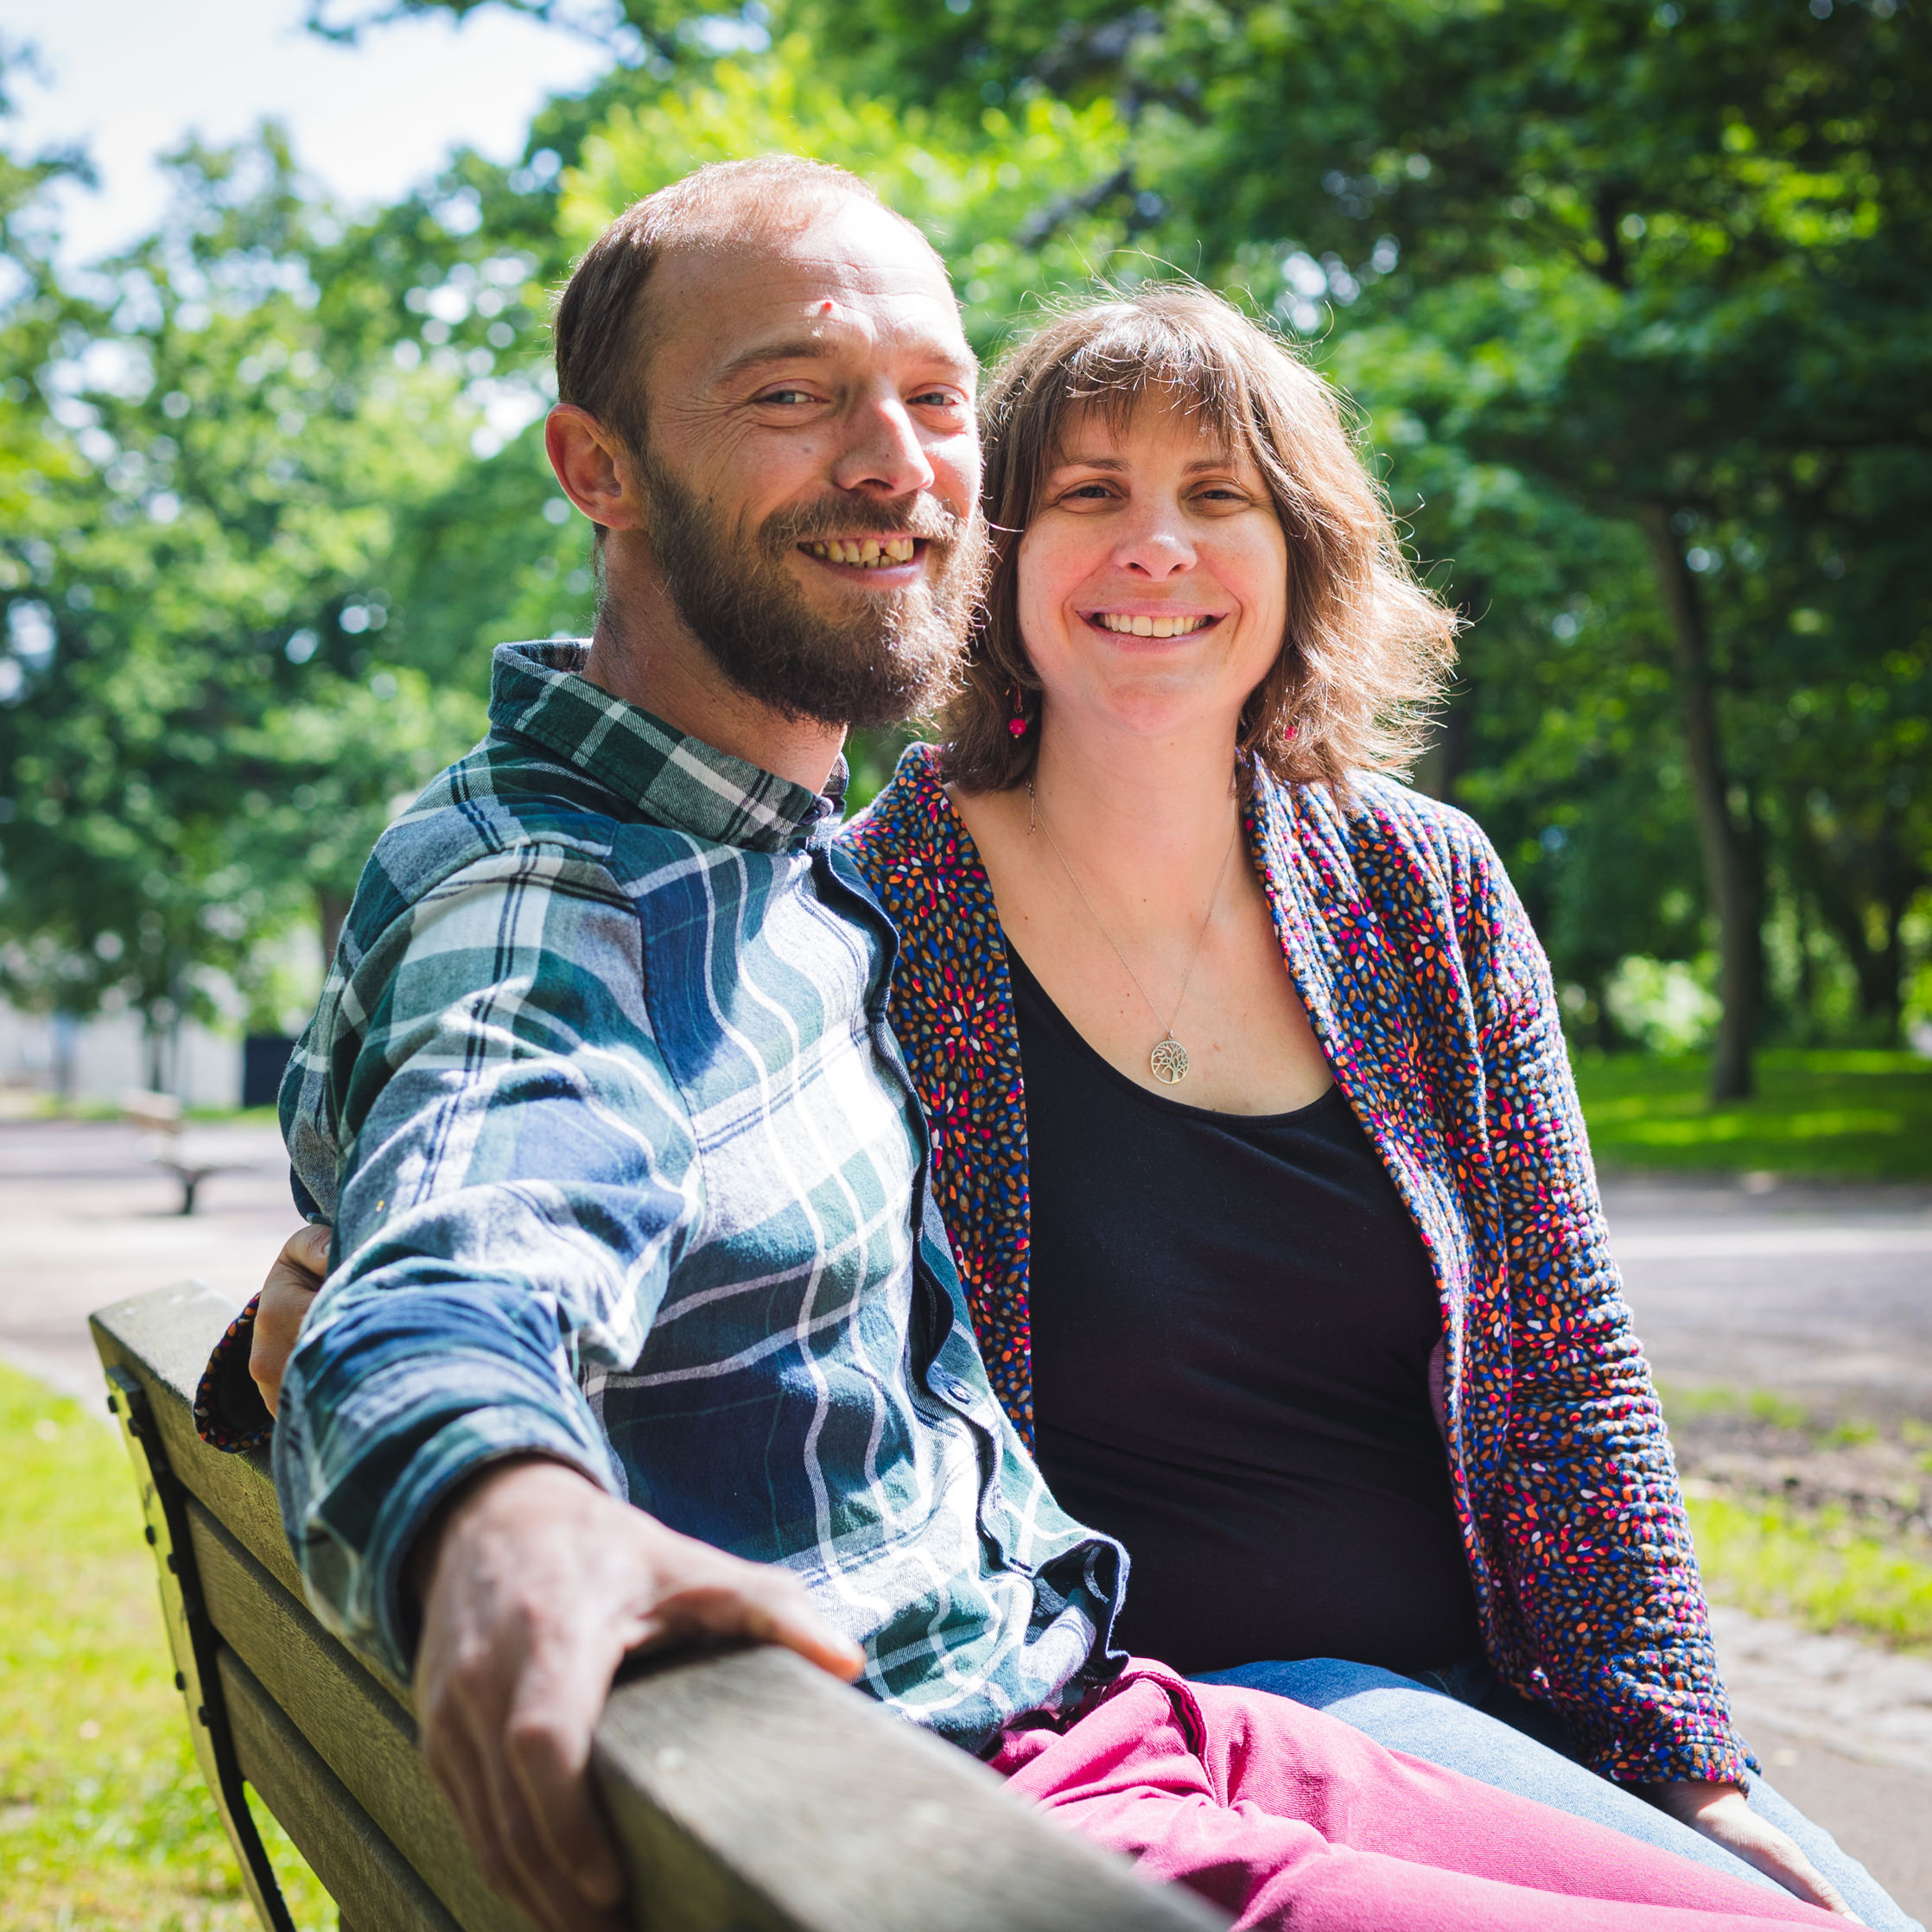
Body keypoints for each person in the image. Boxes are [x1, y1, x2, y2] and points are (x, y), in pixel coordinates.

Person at [201, 156, 1865, 1932]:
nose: (889, 458)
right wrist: (486, 1492)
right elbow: (494, 1186)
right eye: (790, 393)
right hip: (1038, 1754)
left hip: (1158, 1706)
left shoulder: (801, 877)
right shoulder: (730, 887)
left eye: (929, 401)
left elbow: (1566, 1370)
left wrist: (1676, 1746)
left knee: (1809, 1898)